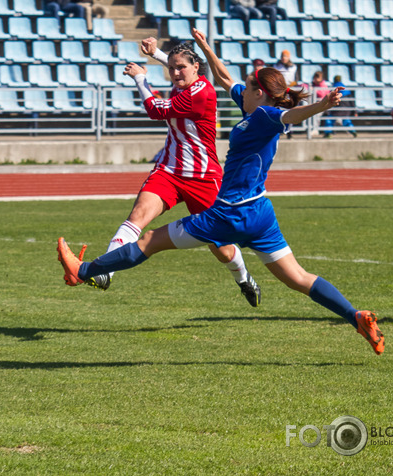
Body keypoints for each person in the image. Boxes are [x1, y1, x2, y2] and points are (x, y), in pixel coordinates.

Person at [57, 27, 385, 357]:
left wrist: (321, 105)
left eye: (249, 84)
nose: (238, 87)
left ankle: (82, 271)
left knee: (148, 241)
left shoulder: (267, 117)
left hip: (229, 213)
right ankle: (355, 317)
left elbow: (292, 115)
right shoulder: (252, 107)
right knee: (299, 278)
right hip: (260, 213)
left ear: (259, 93)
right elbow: (226, 78)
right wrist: (205, 47)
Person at [83, 37, 260, 308]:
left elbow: (155, 109)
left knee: (220, 247)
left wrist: (141, 78)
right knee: (137, 217)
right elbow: (178, 66)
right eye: (172, 68)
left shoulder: (202, 92)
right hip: (169, 171)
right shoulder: (184, 80)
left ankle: (244, 277)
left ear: (197, 68)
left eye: (181, 68)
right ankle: (106, 271)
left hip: (203, 177)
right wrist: (156, 53)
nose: (175, 72)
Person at [273, 49, 298, 138]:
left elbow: (296, 79)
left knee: (289, 111)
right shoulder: (276, 66)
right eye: (283, 56)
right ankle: (278, 130)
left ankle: (289, 131)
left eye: (286, 56)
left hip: (289, 91)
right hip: (279, 91)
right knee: (279, 110)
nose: (284, 58)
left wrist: (292, 84)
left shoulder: (293, 67)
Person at [309, 71, 330, 138]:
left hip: (322, 104)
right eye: (315, 77)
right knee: (313, 116)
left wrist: (314, 90)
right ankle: (312, 129)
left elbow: (322, 94)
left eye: (318, 77)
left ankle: (315, 129)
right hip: (315, 104)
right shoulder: (313, 84)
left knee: (316, 117)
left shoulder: (323, 85)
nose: (316, 79)